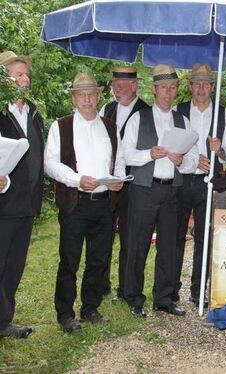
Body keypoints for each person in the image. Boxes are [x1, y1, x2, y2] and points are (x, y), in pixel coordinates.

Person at [44, 72, 125, 332]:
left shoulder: (110, 126)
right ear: (74, 97)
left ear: (98, 95)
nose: (88, 99)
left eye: (91, 94)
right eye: (82, 94)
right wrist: (77, 180)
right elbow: (50, 164)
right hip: (75, 202)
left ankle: (90, 307)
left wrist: (118, 179)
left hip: (103, 203)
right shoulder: (61, 126)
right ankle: (65, 314)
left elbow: (119, 158)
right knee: (69, 259)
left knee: (98, 259)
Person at [122, 64, 198, 318]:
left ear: (177, 90)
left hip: (171, 191)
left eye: (172, 87)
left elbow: (193, 160)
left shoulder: (183, 120)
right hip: (144, 189)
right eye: (163, 87)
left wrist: (181, 162)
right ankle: (134, 298)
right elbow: (126, 154)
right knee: (138, 244)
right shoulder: (138, 118)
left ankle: (164, 298)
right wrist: (149, 154)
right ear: (154, 89)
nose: (168, 92)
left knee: (169, 246)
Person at [174, 63, 226, 306]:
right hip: (180, 181)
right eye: (197, 83)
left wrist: (219, 149)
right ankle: (171, 290)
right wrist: (190, 159)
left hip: (211, 184)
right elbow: (170, 145)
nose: (201, 88)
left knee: (205, 238)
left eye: (206, 84)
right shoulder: (178, 112)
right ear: (190, 86)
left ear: (212, 86)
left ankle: (198, 290)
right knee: (175, 235)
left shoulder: (224, 115)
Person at [0, 51, 44, 339]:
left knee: (14, 265)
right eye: (17, 74)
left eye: (26, 74)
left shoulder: (35, 113)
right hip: (3, 205)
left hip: (27, 205)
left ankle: (4, 322)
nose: (24, 79)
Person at [99, 66, 150, 300]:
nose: (116, 89)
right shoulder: (107, 109)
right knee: (103, 235)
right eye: (114, 84)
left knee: (131, 238)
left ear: (134, 86)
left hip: (134, 184)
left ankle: (126, 288)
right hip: (108, 183)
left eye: (121, 85)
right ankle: (102, 284)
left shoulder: (146, 113)